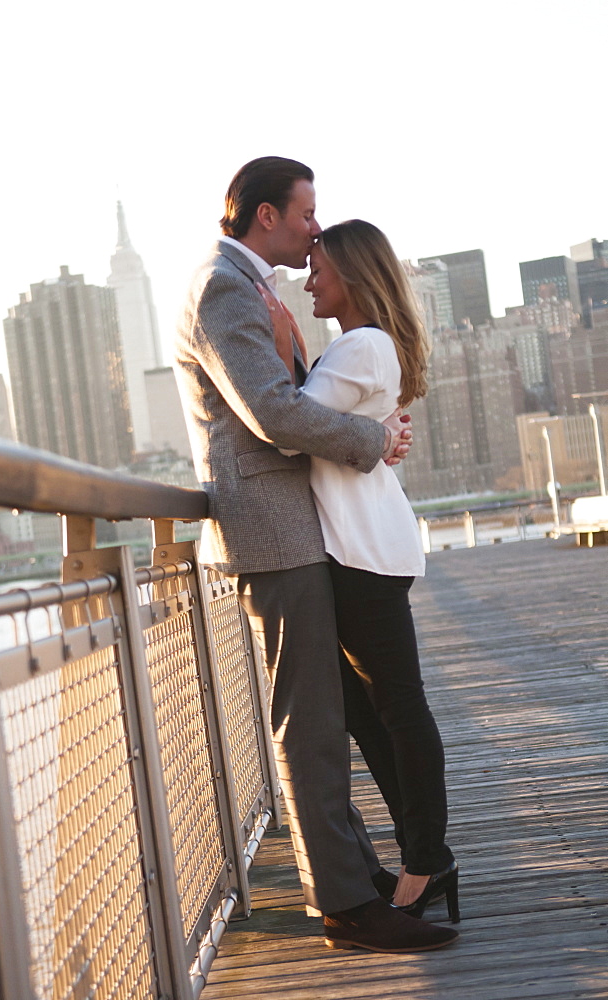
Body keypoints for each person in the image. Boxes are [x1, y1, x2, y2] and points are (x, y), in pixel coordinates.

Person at [174, 156, 458, 952]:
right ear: (266, 215)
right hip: (274, 528)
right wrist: (373, 438)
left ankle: (357, 876)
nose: (312, 229)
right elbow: (273, 411)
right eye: (305, 215)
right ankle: (344, 901)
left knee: (333, 715)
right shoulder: (223, 287)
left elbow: (292, 397)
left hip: (302, 528)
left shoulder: (250, 288)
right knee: (314, 723)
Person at [263, 217, 459, 924]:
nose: (307, 278)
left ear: (350, 273)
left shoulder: (360, 346)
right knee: (365, 709)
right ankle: (415, 852)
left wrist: (283, 334)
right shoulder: (363, 347)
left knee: (398, 708)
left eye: (317, 267)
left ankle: (427, 861)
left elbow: (289, 423)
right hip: (360, 546)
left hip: (361, 554)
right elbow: (329, 424)